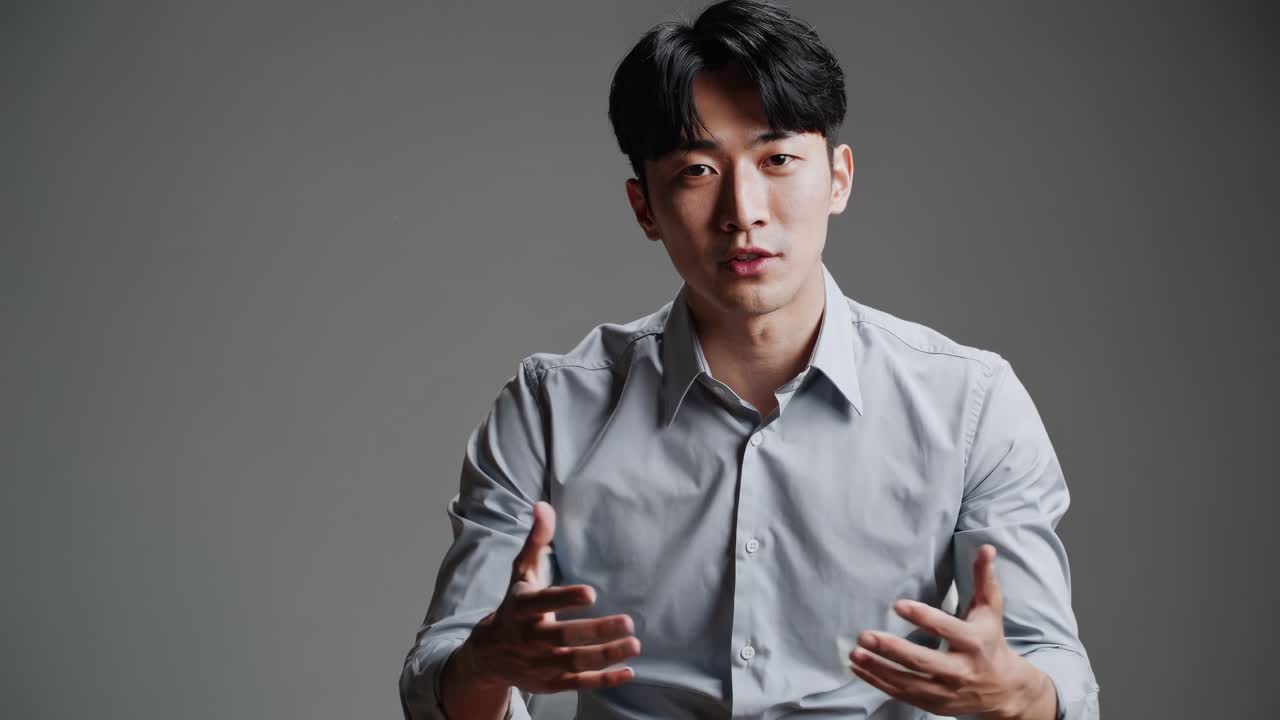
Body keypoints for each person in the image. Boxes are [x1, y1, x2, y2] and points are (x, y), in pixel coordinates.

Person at [399, 1, 1100, 718]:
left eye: (778, 160)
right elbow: (436, 680)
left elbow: (1053, 665)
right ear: (645, 208)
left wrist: (1020, 697)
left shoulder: (970, 403)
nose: (744, 209)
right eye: (698, 170)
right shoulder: (550, 409)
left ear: (838, 178)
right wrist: (487, 665)